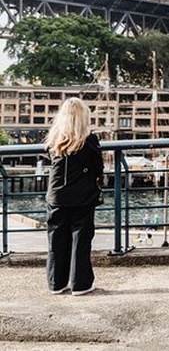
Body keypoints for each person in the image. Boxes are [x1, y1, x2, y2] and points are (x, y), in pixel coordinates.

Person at [44, 97, 103, 296]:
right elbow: (98, 168)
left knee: (56, 238)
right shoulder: (89, 140)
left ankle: (56, 283)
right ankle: (80, 283)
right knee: (81, 238)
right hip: (82, 195)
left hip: (56, 194)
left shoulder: (53, 139)